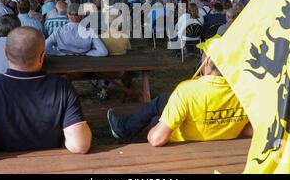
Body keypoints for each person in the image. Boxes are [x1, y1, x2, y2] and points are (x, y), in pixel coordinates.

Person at [0, 27, 91, 162]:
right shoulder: (62, 87)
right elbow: (79, 145)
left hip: (2, 167)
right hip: (48, 165)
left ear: (6, 54)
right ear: (42, 57)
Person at [107, 37, 253, 145]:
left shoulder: (186, 91)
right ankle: (125, 127)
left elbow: (156, 140)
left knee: (155, 117)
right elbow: (250, 129)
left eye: (201, 57)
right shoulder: (248, 90)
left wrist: (152, 129)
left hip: (185, 144)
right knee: (164, 100)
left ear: (207, 65)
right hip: (221, 138)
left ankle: (124, 128)